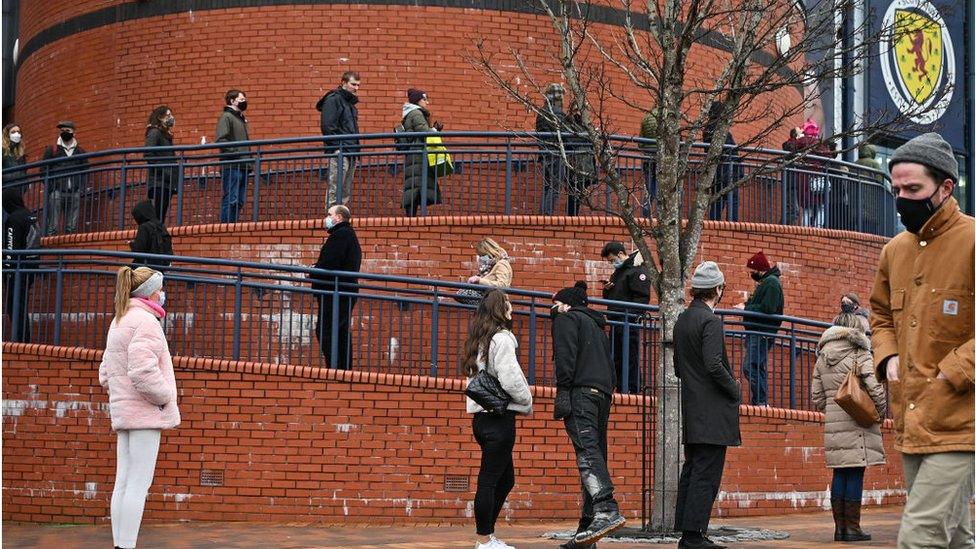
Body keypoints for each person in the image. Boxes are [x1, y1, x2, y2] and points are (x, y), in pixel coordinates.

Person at [869, 133, 974, 549]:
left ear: (946, 187)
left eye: (913, 189)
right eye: (896, 189)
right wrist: (887, 353)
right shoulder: (894, 251)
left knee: (919, 537)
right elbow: (879, 314)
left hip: (962, 421)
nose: (902, 199)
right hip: (912, 420)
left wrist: (953, 372)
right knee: (954, 538)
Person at [98, 266, 180, 549]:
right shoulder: (146, 322)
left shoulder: (119, 320)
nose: (163, 294)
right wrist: (164, 396)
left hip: (124, 413)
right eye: (161, 289)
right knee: (138, 484)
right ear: (150, 292)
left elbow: (105, 373)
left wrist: (121, 393)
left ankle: (120, 544)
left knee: (123, 483)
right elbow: (143, 372)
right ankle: (127, 545)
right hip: (145, 414)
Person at [552, 281, 626, 547]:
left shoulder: (566, 319)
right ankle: (586, 532)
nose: (554, 309)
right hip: (602, 395)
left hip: (580, 392)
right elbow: (612, 366)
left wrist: (563, 391)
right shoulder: (597, 327)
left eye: (556, 304)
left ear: (567, 304)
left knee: (587, 453)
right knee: (595, 453)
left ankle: (606, 509)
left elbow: (565, 357)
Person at [673, 261, 741, 549]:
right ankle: (694, 535)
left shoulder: (682, 320)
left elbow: (678, 368)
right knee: (706, 473)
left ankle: (689, 533)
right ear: (717, 288)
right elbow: (714, 365)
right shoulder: (710, 321)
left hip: (692, 409)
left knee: (693, 469)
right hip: (712, 412)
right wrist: (734, 387)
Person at [463, 289, 533, 549]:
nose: (511, 309)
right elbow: (511, 377)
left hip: (481, 419)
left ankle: (488, 536)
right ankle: (484, 540)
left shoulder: (479, 338)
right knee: (490, 480)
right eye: (507, 304)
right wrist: (526, 399)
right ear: (498, 309)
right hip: (498, 419)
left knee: (505, 479)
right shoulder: (502, 339)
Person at [811, 312, 886, 543]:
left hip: (834, 422)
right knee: (855, 471)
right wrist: (879, 412)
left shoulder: (822, 356)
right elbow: (874, 388)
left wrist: (833, 409)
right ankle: (853, 528)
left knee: (840, 472)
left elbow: (817, 397)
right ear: (855, 329)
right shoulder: (859, 352)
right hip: (858, 422)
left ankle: (840, 529)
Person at [310, 205, 362, 370]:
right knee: (339, 332)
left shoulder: (341, 235)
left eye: (329, 214)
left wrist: (313, 272)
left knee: (326, 331)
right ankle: (343, 369)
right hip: (342, 291)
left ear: (339, 217)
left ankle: (336, 369)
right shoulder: (347, 234)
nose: (327, 218)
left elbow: (330, 263)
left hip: (335, 292)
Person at [599, 241, 651, 393]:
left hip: (628, 321)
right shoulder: (618, 273)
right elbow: (614, 297)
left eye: (612, 260)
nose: (612, 264)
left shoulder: (636, 270)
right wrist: (608, 289)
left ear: (621, 254)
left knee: (629, 356)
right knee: (616, 356)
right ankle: (621, 387)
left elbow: (642, 297)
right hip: (616, 320)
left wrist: (633, 317)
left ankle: (632, 388)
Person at [735, 251, 784, 406]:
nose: (751, 274)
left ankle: (761, 401)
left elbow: (768, 308)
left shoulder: (771, 283)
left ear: (759, 269)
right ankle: (760, 402)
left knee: (750, 366)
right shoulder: (767, 282)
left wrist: (746, 308)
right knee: (756, 366)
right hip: (757, 332)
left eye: (752, 271)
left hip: (761, 332)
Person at [316, 71, 361, 207]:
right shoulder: (334, 99)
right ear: (343, 82)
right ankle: (332, 217)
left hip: (351, 151)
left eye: (358, 85)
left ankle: (340, 217)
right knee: (335, 187)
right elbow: (327, 126)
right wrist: (336, 148)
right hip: (341, 150)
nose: (356, 88)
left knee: (345, 189)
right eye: (353, 84)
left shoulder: (349, 103)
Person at [400, 89, 444, 217]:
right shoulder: (417, 114)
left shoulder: (411, 113)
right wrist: (435, 130)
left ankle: (412, 217)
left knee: (415, 185)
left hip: (414, 154)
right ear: (417, 101)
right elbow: (424, 132)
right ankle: (412, 217)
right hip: (418, 155)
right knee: (418, 185)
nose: (427, 102)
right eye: (424, 99)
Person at [2, 188, 38, 342]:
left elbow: (11, 248)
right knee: (21, 305)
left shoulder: (14, 219)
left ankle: (21, 340)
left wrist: (7, 272)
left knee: (15, 306)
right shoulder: (30, 215)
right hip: (30, 267)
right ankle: (24, 339)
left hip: (16, 271)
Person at [42, 120, 89, 235]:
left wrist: (81, 188)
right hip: (57, 192)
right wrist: (52, 187)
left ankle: (69, 247)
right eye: (62, 131)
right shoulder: (52, 150)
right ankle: (51, 247)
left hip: (74, 192)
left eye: (67, 130)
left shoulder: (80, 151)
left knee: (71, 228)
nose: (64, 133)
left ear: (74, 133)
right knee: (52, 226)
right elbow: (43, 170)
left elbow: (85, 171)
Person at [215, 89, 251, 223]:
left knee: (239, 201)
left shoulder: (239, 119)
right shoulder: (227, 117)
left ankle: (233, 227)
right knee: (231, 199)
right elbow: (221, 140)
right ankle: (226, 229)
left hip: (243, 166)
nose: (244, 102)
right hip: (232, 165)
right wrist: (237, 152)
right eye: (241, 100)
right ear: (232, 101)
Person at [537, 84, 572, 215]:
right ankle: (546, 214)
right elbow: (565, 135)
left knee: (548, 185)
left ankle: (543, 214)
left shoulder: (542, 112)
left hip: (545, 153)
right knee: (555, 186)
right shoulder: (556, 113)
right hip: (556, 153)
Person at [144, 106, 178, 223]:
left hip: (166, 181)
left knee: (160, 214)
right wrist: (164, 170)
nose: (171, 118)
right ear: (159, 117)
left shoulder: (165, 135)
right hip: (159, 180)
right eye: (168, 115)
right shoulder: (154, 132)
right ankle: (153, 237)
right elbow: (148, 154)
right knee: (158, 215)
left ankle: (156, 236)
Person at [455, 238, 513, 305]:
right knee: (462, 293)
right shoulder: (490, 266)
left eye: (482, 255)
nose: (481, 258)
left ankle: (482, 308)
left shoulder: (501, 264)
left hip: (495, 303)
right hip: (489, 300)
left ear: (489, 251)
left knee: (463, 293)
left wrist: (479, 281)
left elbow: (503, 285)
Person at [854, 143, 887, 235]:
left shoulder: (855, 163)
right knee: (871, 231)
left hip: (856, 202)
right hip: (871, 200)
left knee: (859, 230)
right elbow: (880, 180)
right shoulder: (874, 163)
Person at [129, 200, 173, 267]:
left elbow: (139, 250)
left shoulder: (144, 227)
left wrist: (132, 244)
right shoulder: (161, 226)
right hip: (162, 266)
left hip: (147, 267)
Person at [639, 111, 658, 217]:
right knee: (662, 189)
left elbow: (640, 143)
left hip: (647, 158)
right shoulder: (668, 117)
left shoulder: (646, 118)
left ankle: (645, 217)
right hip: (662, 158)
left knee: (648, 190)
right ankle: (662, 218)